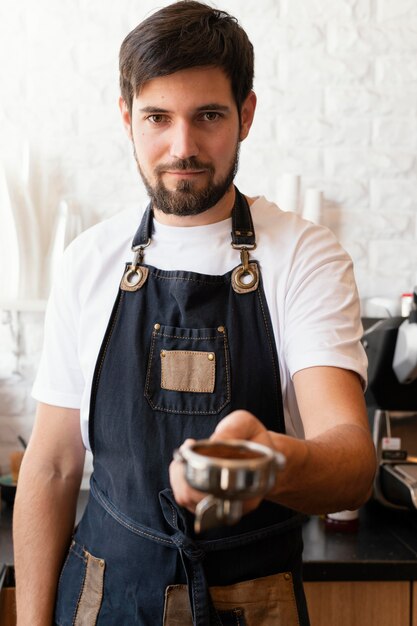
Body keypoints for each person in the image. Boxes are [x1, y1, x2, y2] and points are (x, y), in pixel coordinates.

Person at [13, 2, 376, 625]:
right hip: (103, 603)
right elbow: (50, 467)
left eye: (208, 115)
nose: (183, 147)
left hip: (256, 606)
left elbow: (351, 463)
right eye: (158, 117)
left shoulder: (303, 255)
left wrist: (269, 461)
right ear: (127, 117)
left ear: (246, 115)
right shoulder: (89, 261)